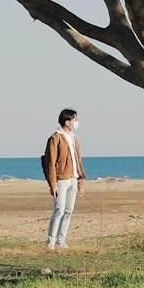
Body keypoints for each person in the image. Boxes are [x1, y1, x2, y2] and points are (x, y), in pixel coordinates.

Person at [42, 107, 85, 250]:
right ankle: (50, 242)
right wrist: (52, 183)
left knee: (68, 211)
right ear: (67, 121)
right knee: (59, 210)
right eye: (75, 119)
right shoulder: (55, 138)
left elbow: (78, 161)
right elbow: (51, 162)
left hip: (73, 178)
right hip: (61, 180)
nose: (77, 122)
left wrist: (80, 183)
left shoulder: (73, 138)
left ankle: (62, 240)